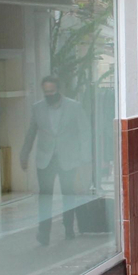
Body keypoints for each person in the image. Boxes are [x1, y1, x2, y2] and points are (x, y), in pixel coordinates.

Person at [20, 75, 92, 245]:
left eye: (51, 91)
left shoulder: (74, 106)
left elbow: (85, 131)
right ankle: (44, 232)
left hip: (68, 158)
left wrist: (85, 157)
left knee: (68, 195)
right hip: (45, 159)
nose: (49, 94)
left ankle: (69, 228)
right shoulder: (37, 108)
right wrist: (24, 154)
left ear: (58, 90)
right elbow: (31, 133)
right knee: (45, 197)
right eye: (46, 92)